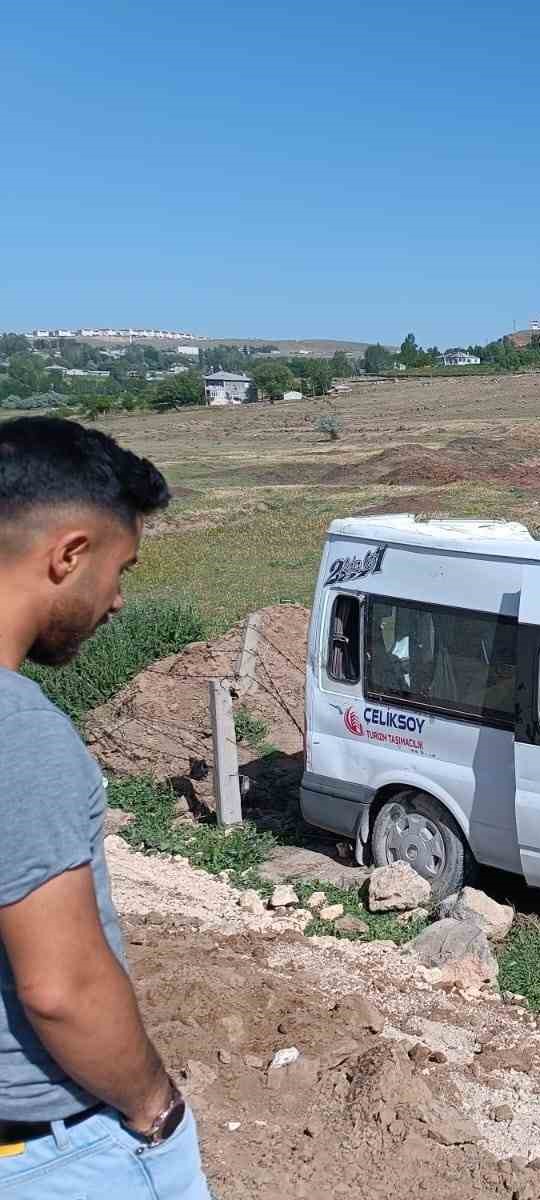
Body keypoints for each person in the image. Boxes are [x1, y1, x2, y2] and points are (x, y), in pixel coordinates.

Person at [0, 417, 210, 1197]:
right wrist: (156, 1107)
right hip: (51, 1156)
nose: (119, 601)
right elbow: (62, 991)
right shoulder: (18, 733)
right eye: (120, 568)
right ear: (68, 554)